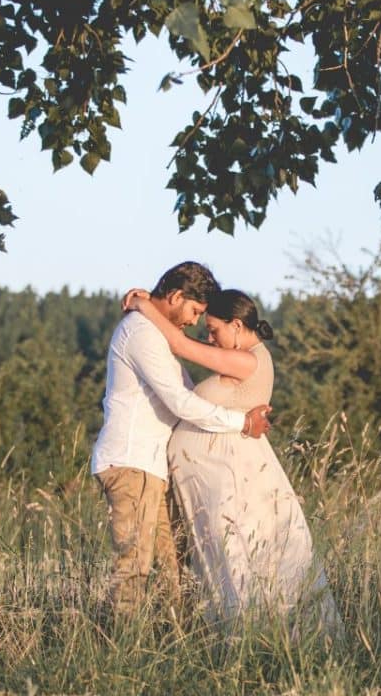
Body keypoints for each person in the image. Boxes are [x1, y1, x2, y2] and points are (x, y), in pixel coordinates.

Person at [121, 285, 340, 634]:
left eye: (214, 329)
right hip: (219, 474)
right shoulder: (245, 355)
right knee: (229, 557)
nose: (209, 337)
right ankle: (237, 629)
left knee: (237, 555)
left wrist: (148, 307)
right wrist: (162, 306)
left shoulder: (247, 359)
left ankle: (251, 632)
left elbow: (179, 346)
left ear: (236, 325)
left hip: (230, 476)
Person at [90, 262, 273, 621]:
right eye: (193, 311)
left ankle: (171, 645)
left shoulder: (154, 335)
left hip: (150, 468)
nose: (193, 321)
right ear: (175, 296)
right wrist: (241, 423)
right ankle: (118, 651)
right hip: (132, 463)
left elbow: (189, 395)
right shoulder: (141, 333)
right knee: (134, 567)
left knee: (173, 570)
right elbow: (180, 402)